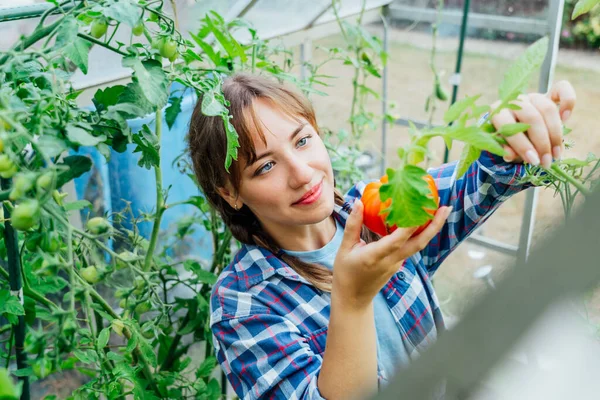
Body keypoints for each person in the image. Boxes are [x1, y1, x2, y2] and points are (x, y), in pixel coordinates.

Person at [186, 72, 576, 400]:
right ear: (230, 192)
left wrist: (511, 134)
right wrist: (352, 300)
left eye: (302, 140)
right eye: (266, 166)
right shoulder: (243, 302)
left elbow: (482, 180)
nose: (303, 173)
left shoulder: (377, 211)